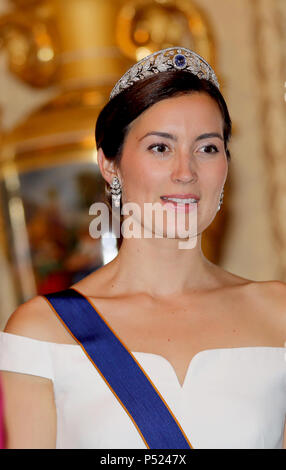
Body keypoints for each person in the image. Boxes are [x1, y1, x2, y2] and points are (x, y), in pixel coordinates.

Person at [0, 47, 285, 449]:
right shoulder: (44, 330)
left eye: (207, 148)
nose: (185, 172)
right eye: (160, 147)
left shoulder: (277, 313)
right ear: (109, 164)